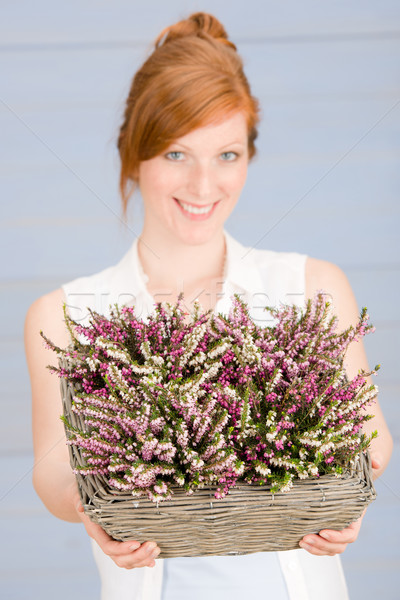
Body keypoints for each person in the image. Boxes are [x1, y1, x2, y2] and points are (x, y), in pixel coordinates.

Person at [25, 12, 393, 600]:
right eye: (176, 154)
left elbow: (371, 438)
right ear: (134, 153)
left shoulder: (313, 286)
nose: (203, 186)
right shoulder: (65, 313)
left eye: (226, 155)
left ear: (249, 155)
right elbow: (50, 463)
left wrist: (349, 497)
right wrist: (86, 500)